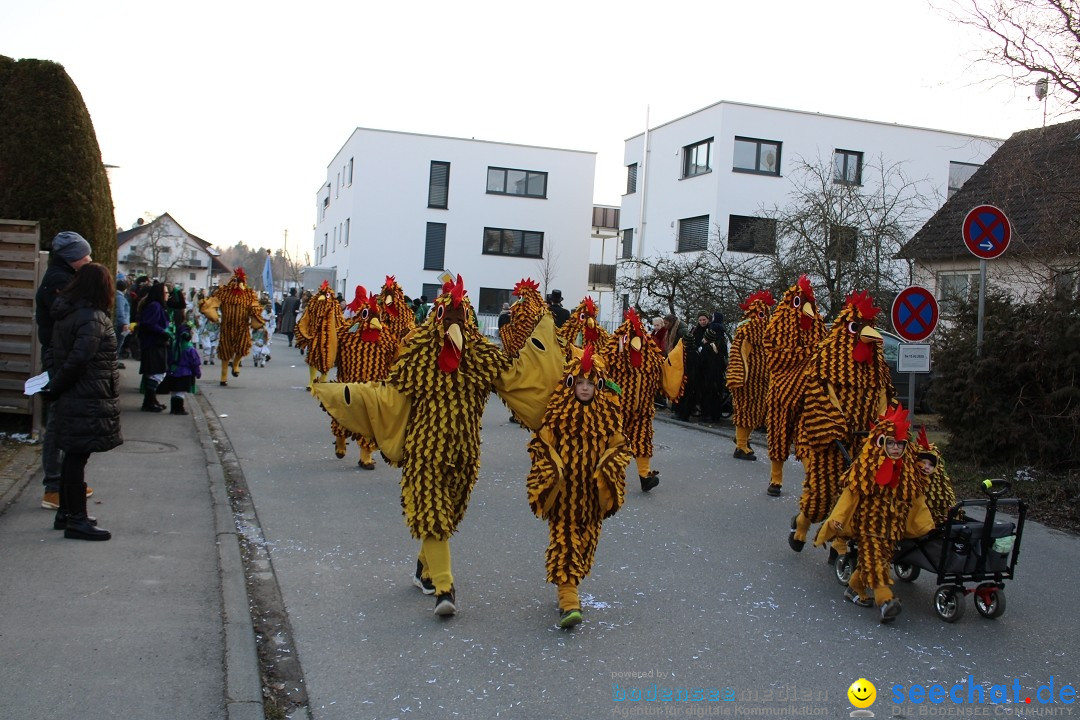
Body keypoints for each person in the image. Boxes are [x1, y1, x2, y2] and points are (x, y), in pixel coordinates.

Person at [526, 344, 631, 628]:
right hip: (564, 497)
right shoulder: (557, 414)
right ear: (571, 384)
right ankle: (569, 599)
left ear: (598, 385)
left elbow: (621, 446)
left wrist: (610, 466)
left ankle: (569, 582)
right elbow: (541, 444)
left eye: (590, 383)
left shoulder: (608, 415)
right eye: (580, 383)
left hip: (594, 497)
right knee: (566, 544)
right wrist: (550, 470)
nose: (585, 388)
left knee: (586, 547)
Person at [43, 262, 122, 540]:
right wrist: (58, 385)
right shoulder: (92, 317)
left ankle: (67, 512)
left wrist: (54, 383)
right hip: (86, 395)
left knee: (73, 454)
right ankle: (76, 519)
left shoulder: (67, 313)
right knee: (77, 455)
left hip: (73, 394)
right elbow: (80, 359)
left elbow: (53, 352)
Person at [34, 231, 95, 510]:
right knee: (58, 420)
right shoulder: (60, 281)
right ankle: (54, 487)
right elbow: (67, 317)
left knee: (63, 418)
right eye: (85, 255)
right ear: (72, 257)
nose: (89, 259)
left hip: (58, 353)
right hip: (58, 356)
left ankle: (66, 483)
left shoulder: (62, 277)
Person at [137, 281, 171, 412]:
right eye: (166, 292)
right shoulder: (155, 306)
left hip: (156, 342)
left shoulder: (157, 305)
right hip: (153, 343)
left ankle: (151, 399)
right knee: (155, 373)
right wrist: (164, 332)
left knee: (156, 372)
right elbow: (148, 323)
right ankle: (149, 402)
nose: (168, 295)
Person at [160, 323, 202, 415]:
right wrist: (197, 373)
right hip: (184, 373)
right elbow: (195, 363)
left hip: (173, 372)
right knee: (180, 392)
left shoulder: (175, 345)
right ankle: (179, 409)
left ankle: (173, 408)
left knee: (174, 391)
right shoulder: (190, 348)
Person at [115, 278, 131, 369]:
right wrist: (125, 323)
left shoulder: (118, 297)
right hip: (121, 325)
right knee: (118, 343)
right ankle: (115, 360)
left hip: (122, 324)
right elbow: (120, 311)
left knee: (119, 343)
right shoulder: (120, 298)